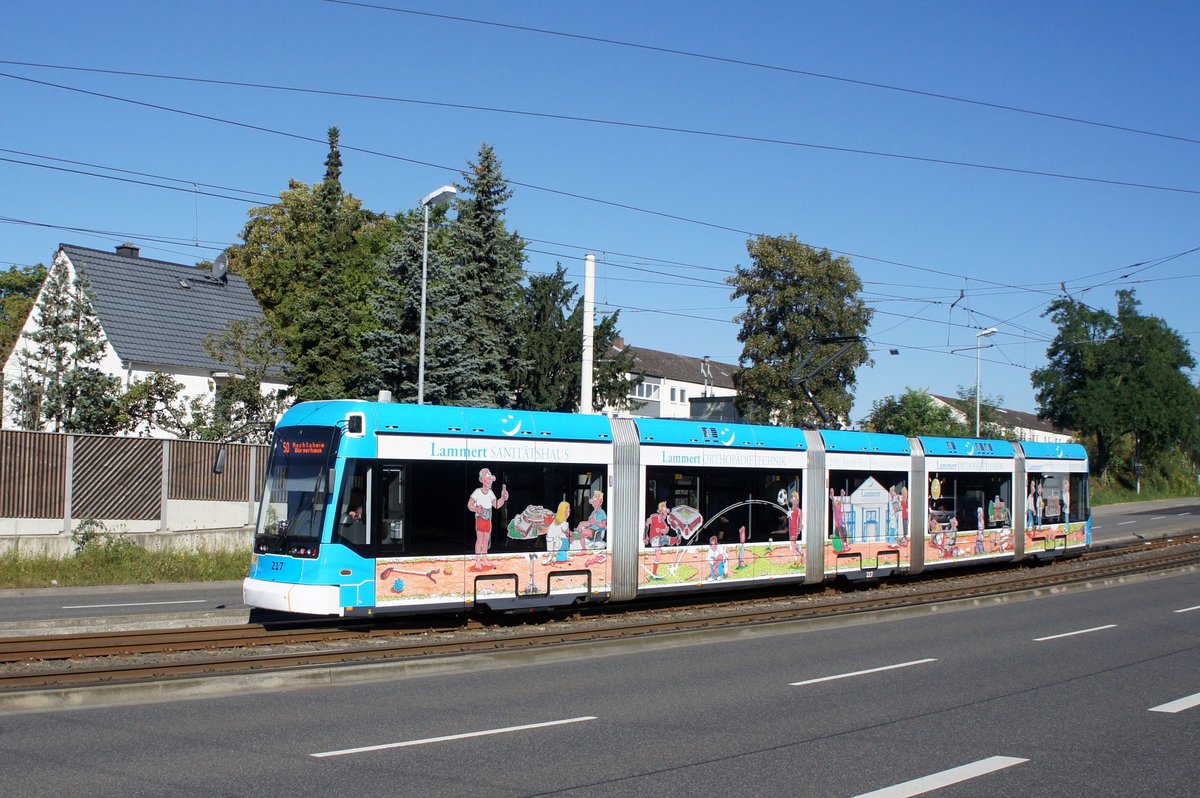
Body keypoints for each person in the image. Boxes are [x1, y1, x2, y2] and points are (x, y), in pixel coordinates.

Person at [468, 467, 508, 572]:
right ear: (482, 480)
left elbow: (496, 505)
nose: (489, 482)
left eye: (490, 480)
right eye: (487, 479)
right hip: (481, 517)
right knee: (480, 539)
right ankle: (477, 561)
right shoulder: (477, 492)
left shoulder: (490, 493)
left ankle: (484, 559)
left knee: (486, 540)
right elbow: (469, 505)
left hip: (488, 518)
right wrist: (477, 509)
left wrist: (503, 498)